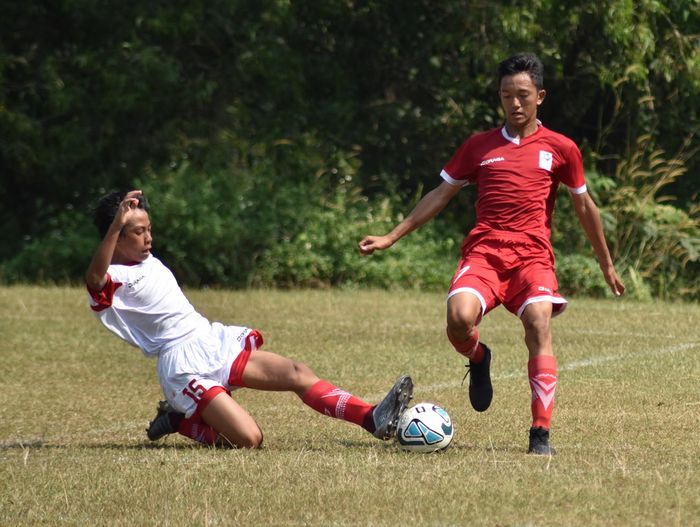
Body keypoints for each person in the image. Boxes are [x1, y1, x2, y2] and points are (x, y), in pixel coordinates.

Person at [358, 52, 625, 455]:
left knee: (538, 322)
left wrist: (606, 263)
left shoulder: (562, 148)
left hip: (532, 257)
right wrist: (391, 236)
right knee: (458, 319)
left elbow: (585, 207)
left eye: (522, 95)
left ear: (540, 96)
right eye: (506, 95)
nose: (514, 104)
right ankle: (479, 358)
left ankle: (540, 434)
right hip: (485, 252)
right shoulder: (479, 146)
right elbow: (441, 193)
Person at [86, 189, 413, 448]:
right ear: (115, 237)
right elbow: (94, 278)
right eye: (138, 232)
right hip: (183, 367)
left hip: (210, 340)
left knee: (297, 372)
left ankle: (372, 419)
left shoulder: (145, 259)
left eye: (149, 229)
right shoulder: (113, 277)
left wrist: (127, 218)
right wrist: (115, 225)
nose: (148, 238)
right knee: (248, 440)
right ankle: (179, 421)